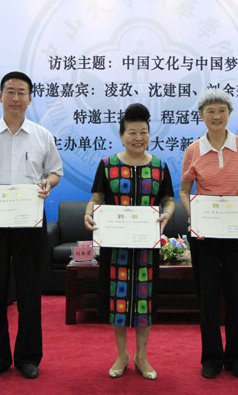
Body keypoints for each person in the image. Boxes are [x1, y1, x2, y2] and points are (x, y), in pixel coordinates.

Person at [0, 71, 63, 381]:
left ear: (30, 98)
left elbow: (55, 172)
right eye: (10, 91)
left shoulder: (42, 135)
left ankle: (28, 357)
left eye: (21, 92)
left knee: (30, 292)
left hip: (29, 222)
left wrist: (48, 183)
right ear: (0, 96)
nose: (15, 98)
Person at [84, 103, 175, 381]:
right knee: (119, 302)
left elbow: (168, 200)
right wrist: (88, 213)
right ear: (122, 136)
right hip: (116, 248)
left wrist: (168, 213)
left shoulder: (159, 167)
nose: (139, 137)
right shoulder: (107, 165)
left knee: (144, 302)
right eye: (132, 132)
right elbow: (97, 198)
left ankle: (142, 356)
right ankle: (122, 355)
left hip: (147, 248)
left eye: (144, 132)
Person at [178, 88, 238, 380]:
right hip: (204, 235)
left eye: (222, 110)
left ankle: (237, 358)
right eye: (210, 111)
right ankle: (211, 357)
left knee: (235, 296)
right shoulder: (193, 150)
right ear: (201, 115)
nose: (216, 115)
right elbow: (184, 191)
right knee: (208, 297)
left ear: (230, 113)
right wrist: (195, 216)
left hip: (237, 233)